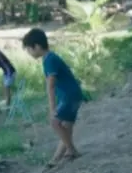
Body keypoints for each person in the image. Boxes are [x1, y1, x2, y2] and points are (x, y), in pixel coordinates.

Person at [21, 28, 85, 166]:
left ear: (37, 46)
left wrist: (52, 108)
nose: (29, 53)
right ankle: (57, 157)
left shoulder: (49, 60)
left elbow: (50, 85)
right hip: (73, 94)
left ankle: (72, 150)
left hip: (69, 95)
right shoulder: (50, 58)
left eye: (29, 49)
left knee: (55, 122)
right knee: (66, 126)